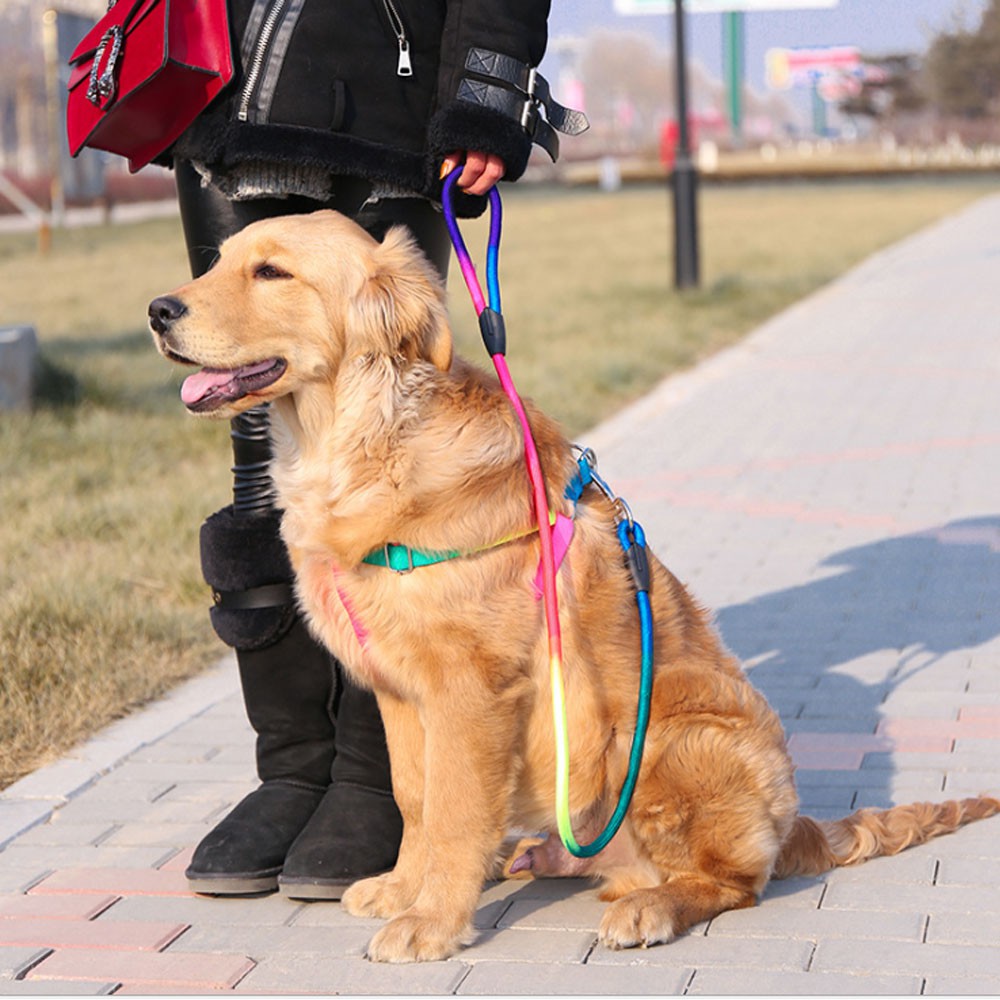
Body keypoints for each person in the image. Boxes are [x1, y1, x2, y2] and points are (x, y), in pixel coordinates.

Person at [157, 0, 587, 901]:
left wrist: (486, 93)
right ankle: (292, 772)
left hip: (396, 103)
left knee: (388, 445)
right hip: (232, 92)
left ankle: (369, 782)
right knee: (259, 456)